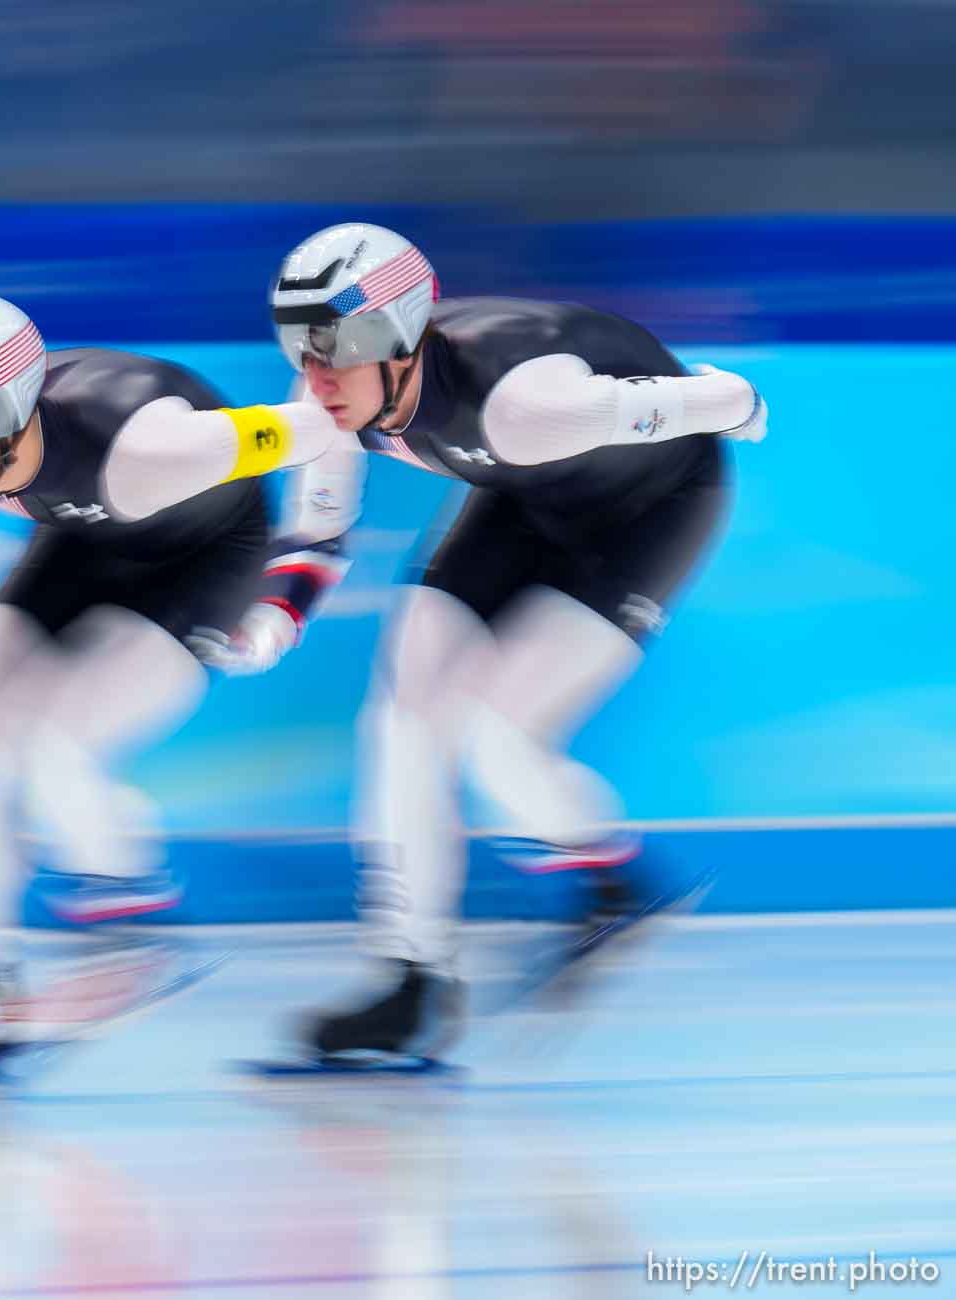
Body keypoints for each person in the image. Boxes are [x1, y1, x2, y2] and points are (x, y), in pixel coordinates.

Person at [235, 222, 767, 1063]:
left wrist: (742, 405)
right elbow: (316, 537)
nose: (318, 374)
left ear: (404, 340)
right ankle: (411, 980)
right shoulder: (327, 401)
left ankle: (613, 879)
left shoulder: (524, 402)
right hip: (518, 491)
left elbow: (724, 401)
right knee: (405, 717)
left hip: (648, 506)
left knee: (499, 741)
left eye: (340, 345)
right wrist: (275, 621)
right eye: (301, 345)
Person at [0, 292, 347, 1073]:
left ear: (13, 414)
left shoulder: (155, 449)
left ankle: (134, 929)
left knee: (58, 749)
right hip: (79, 535)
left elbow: (334, 425)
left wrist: (293, 591)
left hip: (201, 555)